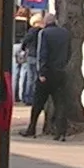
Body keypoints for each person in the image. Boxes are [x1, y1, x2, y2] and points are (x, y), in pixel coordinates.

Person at [21, 12, 72, 141]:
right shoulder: (65, 33)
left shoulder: (44, 33)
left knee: (38, 102)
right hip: (60, 72)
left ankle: (31, 128)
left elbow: (42, 53)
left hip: (47, 73)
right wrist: (63, 66)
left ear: (45, 22)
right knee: (60, 103)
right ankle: (61, 132)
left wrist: (41, 72)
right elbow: (69, 52)